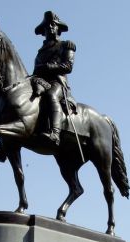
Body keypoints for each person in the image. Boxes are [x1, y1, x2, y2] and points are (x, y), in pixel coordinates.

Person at [33, 11, 76, 146]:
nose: (50, 27)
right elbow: (36, 71)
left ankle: (55, 133)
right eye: (47, 26)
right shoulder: (40, 51)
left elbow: (67, 66)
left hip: (58, 83)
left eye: (53, 24)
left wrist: (47, 66)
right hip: (42, 83)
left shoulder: (66, 45)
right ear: (43, 31)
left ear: (58, 28)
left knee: (51, 95)